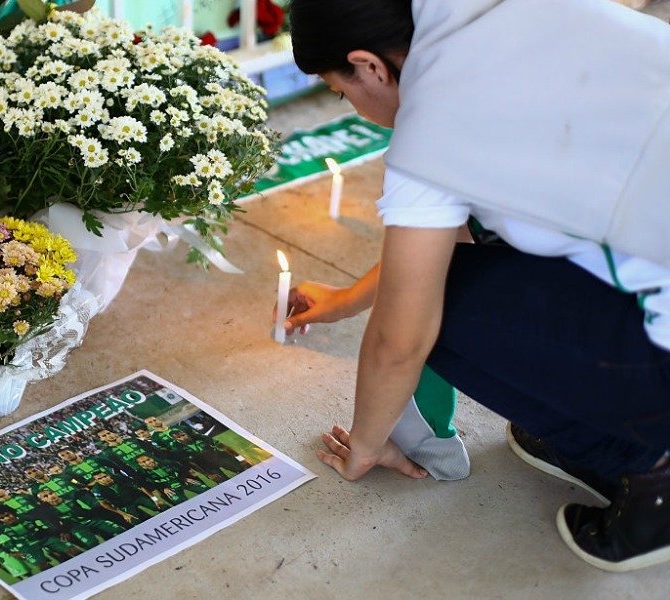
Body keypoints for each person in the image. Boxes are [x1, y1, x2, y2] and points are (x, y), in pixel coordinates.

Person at [286, 0, 669, 572]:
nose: (355, 106)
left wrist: (366, 446)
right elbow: (460, 224)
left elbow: (401, 335)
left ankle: (649, 474)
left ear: (368, 66)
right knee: (482, 253)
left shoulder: (436, 118)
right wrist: (346, 299)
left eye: (342, 92)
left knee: (442, 305)